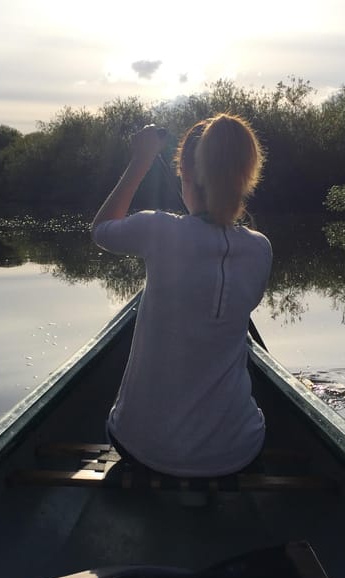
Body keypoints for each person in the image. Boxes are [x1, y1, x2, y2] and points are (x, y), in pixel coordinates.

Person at [91, 114, 272, 477]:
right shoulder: (261, 249)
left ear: (187, 175)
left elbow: (101, 229)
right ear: (246, 178)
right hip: (237, 452)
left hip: (141, 447)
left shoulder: (157, 228)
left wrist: (140, 160)